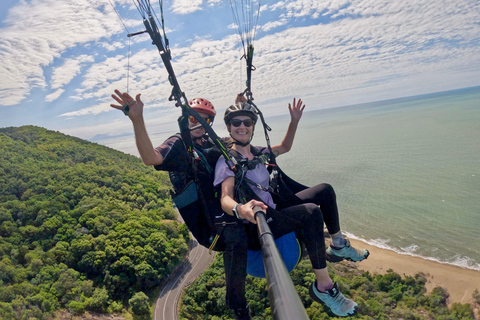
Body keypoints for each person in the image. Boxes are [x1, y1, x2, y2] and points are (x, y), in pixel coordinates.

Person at [214, 100, 369, 319]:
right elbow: (225, 198)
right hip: (259, 221)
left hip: (275, 209)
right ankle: (324, 288)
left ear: (252, 126)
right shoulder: (227, 161)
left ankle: (338, 246)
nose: (242, 126)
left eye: (247, 122)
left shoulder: (258, 152)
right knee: (311, 212)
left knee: (325, 190)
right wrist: (241, 209)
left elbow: (285, 147)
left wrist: (294, 121)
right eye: (236, 122)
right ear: (229, 128)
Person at [110, 90, 217, 189]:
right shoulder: (179, 143)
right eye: (194, 119)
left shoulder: (211, 143)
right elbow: (150, 158)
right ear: (186, 120)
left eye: (204, 121)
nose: (198, 124)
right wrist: (137, 120)